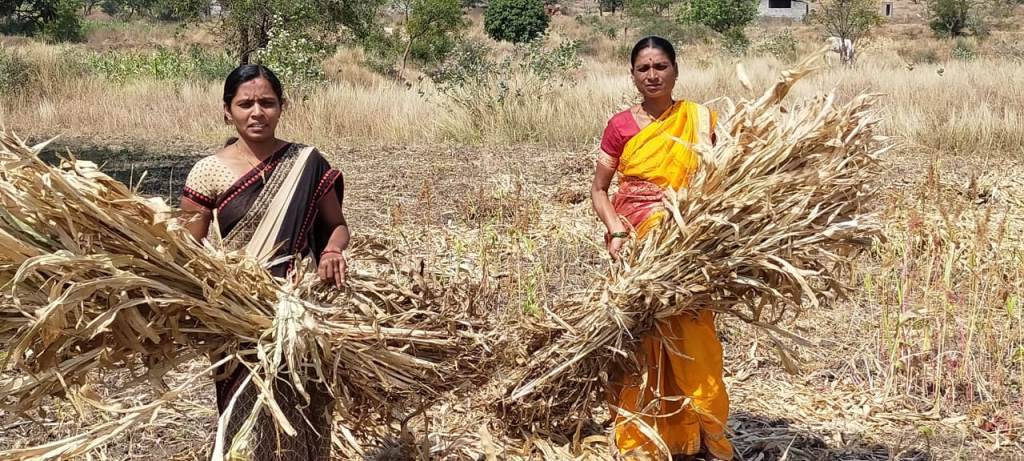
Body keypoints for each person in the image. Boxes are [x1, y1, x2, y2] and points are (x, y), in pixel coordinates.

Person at [180, 64, 349, 460]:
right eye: (245, 104)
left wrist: (331, 251)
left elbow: (337, 226)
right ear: (227, 110)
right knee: (245, 421)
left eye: (267, 103)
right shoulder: (208, 172)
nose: (257, 112)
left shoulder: (307, 162)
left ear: (281, 107)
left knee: (304, 413)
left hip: (297, 308)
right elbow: (187, 248)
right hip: (237, 311)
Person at [590, 36, 733, 461]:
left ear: (676, 69)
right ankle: (640, 440)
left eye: (661, 66)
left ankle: (702, 436)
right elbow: (599, 190)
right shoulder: (620, 126)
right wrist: (615, 229)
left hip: (687, 243)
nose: (652, 75)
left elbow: (724, 180)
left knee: (694, 334)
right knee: (639, 337)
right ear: (632, 75)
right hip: (635, 243)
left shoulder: (701, 119)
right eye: (643, 68)